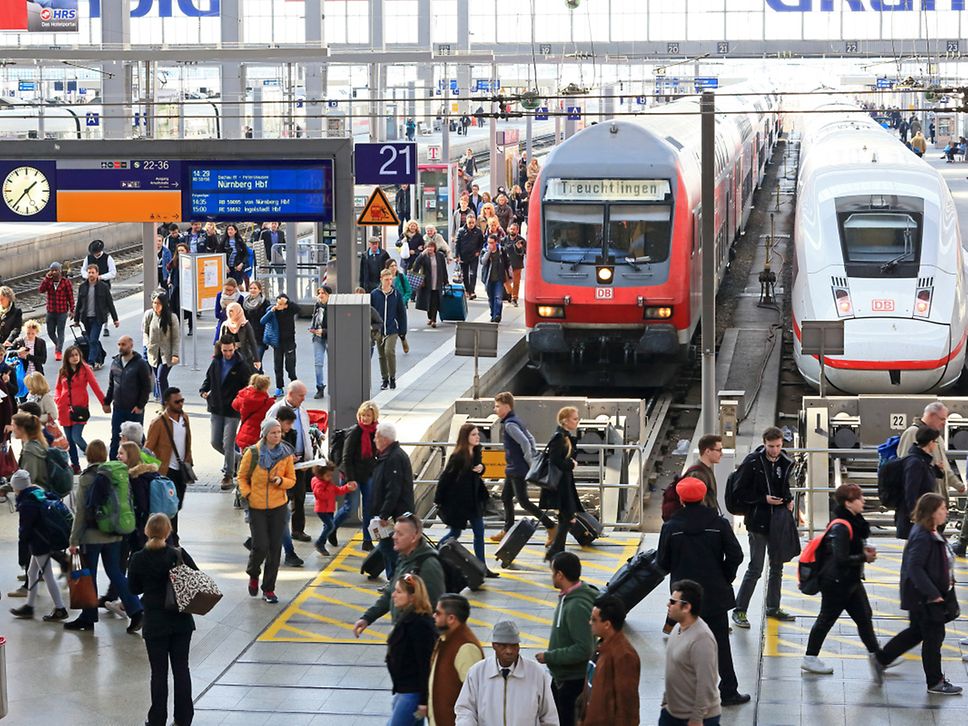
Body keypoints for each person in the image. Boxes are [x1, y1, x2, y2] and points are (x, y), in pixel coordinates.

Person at [657, 477, 749, 706]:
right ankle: (728, 690)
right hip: (714, 593)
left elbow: (662, 563)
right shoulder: (718, 524)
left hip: (683, 597)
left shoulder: (671, 526)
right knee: (720, 643)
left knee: (683, 644)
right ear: (704, 496)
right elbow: (736, 555)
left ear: (681, 498)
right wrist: (725, 576)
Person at [873, 493, 963, 695]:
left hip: (926, 595)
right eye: (942, 509)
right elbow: (915, 568)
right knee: (934, 637)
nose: (946, 512)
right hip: (926, 598)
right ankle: (935, 682)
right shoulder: (922, 535)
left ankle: (882, 658)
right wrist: (933, 593)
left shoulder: (929, 531)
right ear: (932, 512)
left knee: (916, 632)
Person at [801, 483, 883, 676]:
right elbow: (841, 558)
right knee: (826, 619)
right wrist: (865, 557)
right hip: (837, 583)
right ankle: (810, 658)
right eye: (859, 497)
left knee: (864, 616)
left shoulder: (853, 522)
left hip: (850, 581)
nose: (863, 500)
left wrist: (863, 551)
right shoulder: (841, 527)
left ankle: (877, 657)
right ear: (848, 503)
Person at [65, 439, 145, 633]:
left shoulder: (87, 477)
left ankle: (88, 617)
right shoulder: (116, 473)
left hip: (92, 537)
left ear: (88, 456)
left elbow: (82, 513)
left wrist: (73, 540)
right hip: (115, 534)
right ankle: (136, 611)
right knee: (115, 572)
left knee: (88, 575)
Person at [127, 513, 197, 726]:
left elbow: (133, 588)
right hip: (181, 620)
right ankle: (184, 718)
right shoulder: (178, 554)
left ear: (147, 531)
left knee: (158, 673)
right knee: (181, 668)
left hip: (155, 621)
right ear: (168, 531)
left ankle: (157, 719)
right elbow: (196, 578)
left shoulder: (138, 558)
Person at [731, 426, 796, 627]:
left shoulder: (785, 462)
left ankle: (773, 607)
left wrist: (788, 500)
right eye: (771, 446)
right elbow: (739, 491)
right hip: (758, 522)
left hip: (777, 521)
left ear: (782, 443)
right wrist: (763, 499)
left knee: (777, 567)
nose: (774, 450)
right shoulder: (752, 462)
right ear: (764, 443)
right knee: (756, 568)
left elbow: (784, 486)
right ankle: (739, 610)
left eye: (777, 446)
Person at [454, 620, 559, 725]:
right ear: (494, 645)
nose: (509, 651)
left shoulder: (537, 673)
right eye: (503, 646)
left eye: (513, 645)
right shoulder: (477, 673)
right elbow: (465, 710)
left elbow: (549, 717)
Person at [354, 514, 445, 634]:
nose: (394, 537)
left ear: (414, 537)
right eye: (395, 532)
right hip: (402, 632)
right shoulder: (404, 558)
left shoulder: (428, 565)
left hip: (417, 637)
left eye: (400, 534)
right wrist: (367, 618)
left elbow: (435, 605)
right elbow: (391, 593)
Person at [238, 419, 296, 604]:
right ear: (265, 434)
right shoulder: (253, 453)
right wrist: (248, 493)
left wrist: (281, 482)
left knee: (274, 548)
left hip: (279, 506)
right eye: (273, 432)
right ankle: (254, 573)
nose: (277, 435)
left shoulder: (286, 454)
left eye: (279, 432)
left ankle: (269, 589)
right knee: (260, 545)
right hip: (257, 507)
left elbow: (292, 479)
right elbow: (241, 476)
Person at [534, 552, 596, 726]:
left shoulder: (576, 606)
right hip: (563, 678)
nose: (551, 576)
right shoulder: (568, 597)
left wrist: (550, 657)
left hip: (572, 681)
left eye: (552, 572)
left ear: (560, 575)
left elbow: (584, 648)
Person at [898, 402, 968, 553]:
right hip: (923, 504)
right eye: (942, 419)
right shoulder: (912, 433)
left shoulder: (937, 438)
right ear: (931, 416)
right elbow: (905, 468)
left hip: (935, 501)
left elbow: (945, 467)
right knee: (917, 547)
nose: (944, 423)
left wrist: (957, 485)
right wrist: (913, 510)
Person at [491, 392, 556, 544]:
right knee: (506, 497)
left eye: (497, 406)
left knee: (524, 501)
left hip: (518, 469)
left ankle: (551, 526)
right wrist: (533, 454)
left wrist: (529, 459)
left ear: (507, 407)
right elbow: (531, 438)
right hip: (513, 468)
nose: (495, 409)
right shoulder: (515, 420)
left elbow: (525, 442)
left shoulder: (510, 424)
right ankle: (508, 529)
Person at [436, 423, 497, 577]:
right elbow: (446, 478)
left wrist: (482, 468)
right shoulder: (458, 456)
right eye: (473, 435)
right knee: (455, 533)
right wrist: (438, 499)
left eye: (477, 434)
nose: (477, 437)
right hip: (459, 502)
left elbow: (479, 469)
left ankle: (482, 567)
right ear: (465, 437)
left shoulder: (477, 451)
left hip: (474, 500)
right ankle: (435, 552)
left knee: (479, 532)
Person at [8, 469, 69, 622]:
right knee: (31, 573)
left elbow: (25, 529)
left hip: (40, 542)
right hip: (47, 538)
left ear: (18, 487)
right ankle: (29, 605)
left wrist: (23, 551)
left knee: (47, 575)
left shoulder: (27, 503)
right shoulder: (37, 493)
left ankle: (60, 608)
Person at [660, 579, 722, 726]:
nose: (668, 605)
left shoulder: (702, 639)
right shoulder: (678, 628)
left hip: (695, 719)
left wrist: (697, 718)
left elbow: (706, 683)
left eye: (672, 601)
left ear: (686, 607)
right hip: (672, 713)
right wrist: (666, 702)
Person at [575, 595, 639, 726]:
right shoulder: (601, 646)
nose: (590, 623)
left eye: (594, 620)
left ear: (607, 625)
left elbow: (627, 706)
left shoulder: (624, 656)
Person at [264, 381, 314, 541]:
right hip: (282, 464)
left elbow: (306, 434)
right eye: (301, 395)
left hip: (299, 462)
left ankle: (298, 530)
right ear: (291, 394)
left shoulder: (302, 411)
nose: (304, 399)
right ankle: (274, 531)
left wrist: (308, 458)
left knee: (299, 497)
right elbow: (267, 437)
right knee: (281, 499)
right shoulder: (275, 410)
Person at [385, 572, 438, 725]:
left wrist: (423, 700)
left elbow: (425, 664)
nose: (393, 595)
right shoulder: (407, 618)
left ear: (413, 597)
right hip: (404, 691)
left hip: (411, 695)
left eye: (399, 592)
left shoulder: (420, 625)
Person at [428, 594, 484, 726]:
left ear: (451, 618)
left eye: (438, 613)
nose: (434, 616)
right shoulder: (445, 639)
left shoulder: (466, 647)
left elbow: (476, 695)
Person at [145, 387, 194, 535]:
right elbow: (147, 449)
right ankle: (171, 536)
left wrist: (189, 459)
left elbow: (188, 442)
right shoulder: (158, 423)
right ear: (167, 403)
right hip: (166, 472)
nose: (181, 404)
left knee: (177, 506)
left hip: (182, 470)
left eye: (182, 400)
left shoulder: (185, 418)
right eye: (177, 401)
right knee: (169, 507)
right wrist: (151, 470)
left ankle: (170, 535)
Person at [369, 422, 415, 579]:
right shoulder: (387, 456)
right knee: (387, 546)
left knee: (388, 547)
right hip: (392, 513)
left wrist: (384, 514)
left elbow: (393, 489)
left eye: (376, 436)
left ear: (384, 439)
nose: (374, 439)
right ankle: (393, 580)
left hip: (395, 514)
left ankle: (401, 577)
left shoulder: (393, 458)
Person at [333, 400, 380, 551]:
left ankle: (367, 540)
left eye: (368, 415)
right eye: (363, 415)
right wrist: (350, 479)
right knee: (350, 508)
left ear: (374, 417)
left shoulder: (376, 431)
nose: (365, 418)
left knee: (369, 508)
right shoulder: (355, 431)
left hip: (368, 474)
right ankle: (331, 528)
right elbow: (346, 457)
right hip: (351, 474)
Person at [54, 344, 106, 474]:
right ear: (67, 358)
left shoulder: (85, 369)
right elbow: (58, 388)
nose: (75, 357)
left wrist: (104, 402)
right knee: (70, 440)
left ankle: (95, 459)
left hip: (80, 409)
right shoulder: (63, 371)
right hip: (64, 410)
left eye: (76, 355)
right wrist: (58, 399)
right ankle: (75, 465)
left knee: (76, 437)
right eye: (72, 355)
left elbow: (95, 386)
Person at [544, 407, 585, 561]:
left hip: (565, 483)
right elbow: (554, 460)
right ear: (565, 421)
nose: (577, 421)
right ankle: (555, 551)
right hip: (560, 485)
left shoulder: (565, 436)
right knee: (567, 518)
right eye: (574, 418)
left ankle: (556, 552)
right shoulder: (559, 437)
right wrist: (571, 464)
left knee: (566, 518)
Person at [103, 335, 152, 460]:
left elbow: (146, 387)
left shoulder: (140, 364)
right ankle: (113, 465)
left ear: (131, 345)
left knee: (136, 440)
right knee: (115, 437)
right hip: (118, 408)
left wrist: (140, 405)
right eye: (119, 344)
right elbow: (111, 385)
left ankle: (140, 463)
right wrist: (107, 402)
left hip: (134, 409)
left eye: (123, 344)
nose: (121, 347)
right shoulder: (115, 362)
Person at [898, 427, 942, 540]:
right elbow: (911, 489)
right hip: (917, 517)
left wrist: (937, 470)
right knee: (915, 549)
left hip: (922, 515)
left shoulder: (923, 461)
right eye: (935, 442)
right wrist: (914, 514)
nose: (936, 445)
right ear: (930, 442)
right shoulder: (915, 462)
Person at [73, 264, 119, 370]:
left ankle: (91, 362)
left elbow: (110, 303)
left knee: (93, 340)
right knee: (91, 340)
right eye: (89, 272)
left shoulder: (103, 287)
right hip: (86, 318)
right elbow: (79, 304)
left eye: (93, 272)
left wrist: (115, 319)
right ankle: (99, 358)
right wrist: (76, 319)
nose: (91, 275)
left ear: (97, 274)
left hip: (98, 318)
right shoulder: (83, 287)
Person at [371, 269, 407, 391]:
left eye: (391, 279)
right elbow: (370, 312)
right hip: (379, 330)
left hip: (392, 329)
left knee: (389, 352)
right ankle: (384, 379)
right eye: (386, 279)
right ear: (381, 279)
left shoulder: (396, 294)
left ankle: (392, 377)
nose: (389, 282)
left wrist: (403, 330)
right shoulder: (375, 294)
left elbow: (402, 313)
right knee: (381, 355)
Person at [311, 463, 356, 556]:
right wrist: (330, 489)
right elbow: (321, 495)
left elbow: (338, 490)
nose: (330, 477)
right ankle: (320, 542)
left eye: (331, 475)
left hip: (329, 509)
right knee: (330, 526)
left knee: (328, 526)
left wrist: (347, 488)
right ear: (320, 475)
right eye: (328, 475)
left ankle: (321, 543)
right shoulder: (320, 484)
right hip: (322, 509)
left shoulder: (328, 483)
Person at [142, 291, 180, 399]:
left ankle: (165, 403)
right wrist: (146, 344)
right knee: (159, 379)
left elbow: (176, 337)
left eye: (158, 303)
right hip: (153, 353)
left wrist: (175, 354)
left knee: (161, 377)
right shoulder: (149, 315)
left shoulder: (172, 317)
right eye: (154, 303)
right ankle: (165, 401)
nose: (156, 306)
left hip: (167, 354)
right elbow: (145, 331)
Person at [260, 293, 298, 397]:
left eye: (282, 304)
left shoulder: (290, 310)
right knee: (278, 365)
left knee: (290, 365)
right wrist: (271, 311)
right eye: (278, 303)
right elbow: (262, 321)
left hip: (289, 342)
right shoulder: (273, 311)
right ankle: (279, 387)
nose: (280, 305)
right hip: (277, 343)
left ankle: (294, 382)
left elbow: (297, 308)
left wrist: (287, 303)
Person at [38, 261, 73, 361]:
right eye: (52, 270)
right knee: (50, 332)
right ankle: (58, 345)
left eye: (56, 270)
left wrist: (72, 309)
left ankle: (58, 351)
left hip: (62, 311)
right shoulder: (48, 282)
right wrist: (46, 279)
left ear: (60, 271)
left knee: (60, 331)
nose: (54, 272)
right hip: (51, 310)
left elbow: (70, 297)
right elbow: (41, 290)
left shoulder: (66, 282)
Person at [232, 373, 276, 451]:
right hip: (259, 436)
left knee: (245, 459)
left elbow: (234, 405)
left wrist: (246, 390)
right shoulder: (268, 403)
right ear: (266, 387)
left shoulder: (244, 398)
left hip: (245, 433)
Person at [413, 240, 448, 328]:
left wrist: (446, 280)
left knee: (435, 301)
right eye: (428, 247)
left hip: (437, 280)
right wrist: (421, 254)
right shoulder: (424, 257)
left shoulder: (440, 256)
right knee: (429, 300)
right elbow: (416, 266)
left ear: (435, 248)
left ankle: (434, 319)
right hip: (427, 282)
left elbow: (444, 268)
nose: (430, 249)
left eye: (432, 247)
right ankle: (430, 317)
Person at [220, 301, 260, 372]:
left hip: (244, 354)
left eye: (232, 311)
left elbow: (252, 342)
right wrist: (218, 356)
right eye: (229, 311)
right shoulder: (225, 325)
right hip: (229, 354)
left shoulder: (245, 324)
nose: (230, 313)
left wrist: (256, 360)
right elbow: (220, 343)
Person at [480, 233, 511, 323]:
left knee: (498, 297)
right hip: (488, 279)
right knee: (491, 298)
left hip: (499, 278)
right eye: (488, 242)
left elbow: (507, 263)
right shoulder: (484, 250)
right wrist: (488, 252)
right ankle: (492, 314)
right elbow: (483, 262)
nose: (490, 244)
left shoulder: (501, 251)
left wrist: (510, 275)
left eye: (492, 242)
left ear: (496, 242)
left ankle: (497, 315)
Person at [241, 280, 270, 368]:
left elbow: (265, 319)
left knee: (257, 360)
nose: (253, 290)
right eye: (251, 288)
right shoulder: (245, 302)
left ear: (260, 290)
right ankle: (258, 379)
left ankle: (259, 379)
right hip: (248, 336)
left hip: (260, 337)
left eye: (255, 288)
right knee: (250, 362)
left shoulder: (264, 302)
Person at [309, 285, 331, 399]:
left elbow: (336, 325)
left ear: (329, 295)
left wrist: (323, 331)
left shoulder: (332, 307)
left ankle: (334, 386)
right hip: (317, 337)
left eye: (323, 293)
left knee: (333, 364)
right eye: (319, 293)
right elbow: (315, 319)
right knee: (318, 363)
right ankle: (320, 387)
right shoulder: (317, 305)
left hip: (329, 337)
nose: (321, 295)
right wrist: (312, 329)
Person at [455, 215, 484, 300]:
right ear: (466, 222)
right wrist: (457, 256)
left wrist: (478, 251)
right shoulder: (461, 231)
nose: (471, 224)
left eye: (473, 223)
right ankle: (467, 290)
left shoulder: (478, 231)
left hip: (474, 256)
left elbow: (481, 242)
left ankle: (472, 291)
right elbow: (457, 244)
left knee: (473, 274)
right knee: (465, 274)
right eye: (469, 223)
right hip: (463, 256)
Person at [213, 278, 245, 342]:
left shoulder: (240, 298)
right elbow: (217, 313)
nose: (228, 292)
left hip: (236, 325)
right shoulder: (220, 295)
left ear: (235, 288)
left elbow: (242, 313)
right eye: (226, 290)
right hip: (223, 323)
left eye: (230, 290)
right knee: (218, 344)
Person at [503, 223, 526, 306]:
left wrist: (520, 248)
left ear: (517, 230)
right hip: (506, 264)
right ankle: (510, 292)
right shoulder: (504, 239)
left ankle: (514, 298)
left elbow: (525, 252)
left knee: (516, 282)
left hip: (517, 264)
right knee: (505, 281)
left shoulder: (522, 240)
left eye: (514, 229)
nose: (512, 230)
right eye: (511, 229)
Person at [0, 287, 23, 351]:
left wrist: (9, 340)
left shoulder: (17, 311)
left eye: (2, 299)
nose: (0, 302)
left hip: (9, 343)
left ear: (8, 298)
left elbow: (16, 329)